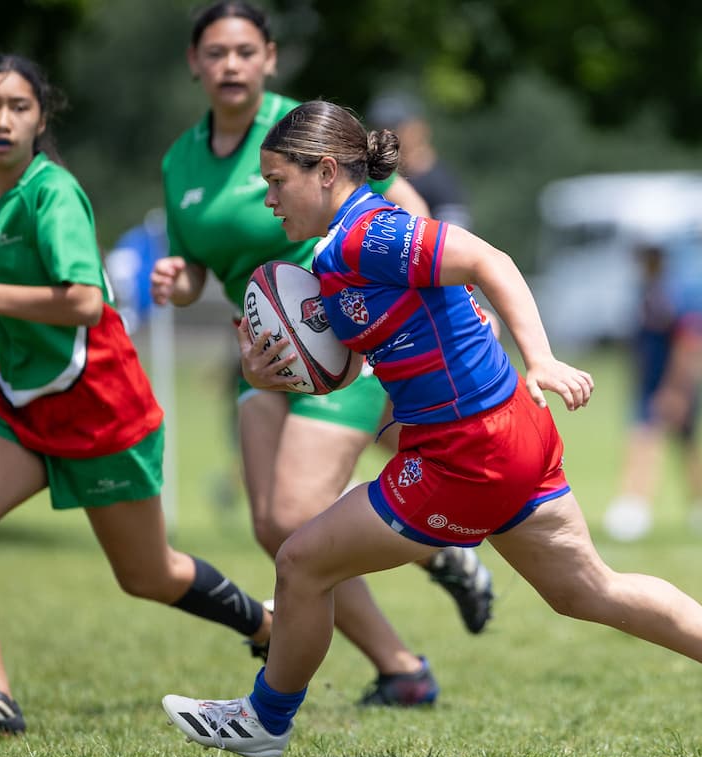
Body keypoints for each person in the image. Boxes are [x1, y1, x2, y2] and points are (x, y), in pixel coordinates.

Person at [160, 100, 702, 757]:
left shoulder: (370, 234)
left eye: (277, 181)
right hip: (506, 433)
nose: (268, 198)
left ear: (326, 170)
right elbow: (353, 363)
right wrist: (267, 369)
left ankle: (264, 721)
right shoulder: (333, 254)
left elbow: (490, 261)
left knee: (301, 560)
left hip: (465, 448)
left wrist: (543, 358)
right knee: (586, 588)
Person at [0, 54, 272, 736]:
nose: (3, 119)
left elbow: (82, 301)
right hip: (20, 405)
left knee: (148, 574)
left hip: (102, 407)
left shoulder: (54, 194)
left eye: (20, 106)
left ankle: (264, 622)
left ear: (40, 119)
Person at [150, 1, 493, 707]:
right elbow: (193, 270)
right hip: (266, 349)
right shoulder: (179, 161)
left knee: (305, 516)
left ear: (270, 57)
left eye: (245, 50)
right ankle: (403, 665)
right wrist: (176, 281)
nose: (231, 65)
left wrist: (432, 292)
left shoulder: (300, 131)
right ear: (194, 63)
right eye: (215, 52)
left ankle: (436, 549)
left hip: (341, 337)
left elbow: (407, 206)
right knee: (275, 525)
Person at [602, 244, 702, 541]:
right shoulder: (646, 291)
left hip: (671, 386)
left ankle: (636, 509)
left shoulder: (674, 294)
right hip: (651, 385)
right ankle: (700, 509)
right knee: (666, 442)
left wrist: (677, 391)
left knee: (665, 443)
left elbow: (694, 342)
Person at [367, 92, 472, 231]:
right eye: (379, 128)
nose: (385, 136)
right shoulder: (373, 176)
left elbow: (456, 236)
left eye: (394, 128)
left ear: (419, 129)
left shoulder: (440, 182)